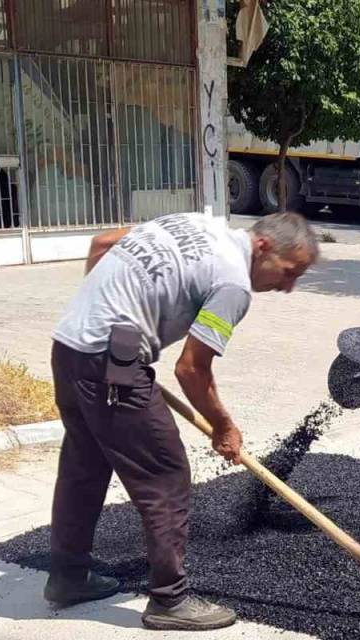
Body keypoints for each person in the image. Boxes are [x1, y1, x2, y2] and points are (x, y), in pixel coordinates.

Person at [44, 211, 319, 631]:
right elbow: (191, 369)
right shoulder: (233, 285)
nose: (288, 287)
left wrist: (103, 312)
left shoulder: (196, 223)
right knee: (166, 475)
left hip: (70, 345)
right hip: (112, 360)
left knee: (85, 464)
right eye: (289, 272)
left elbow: (103, 243)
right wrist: (223, 426)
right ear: (263, 247)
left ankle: (68, 576)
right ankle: (169, 600)